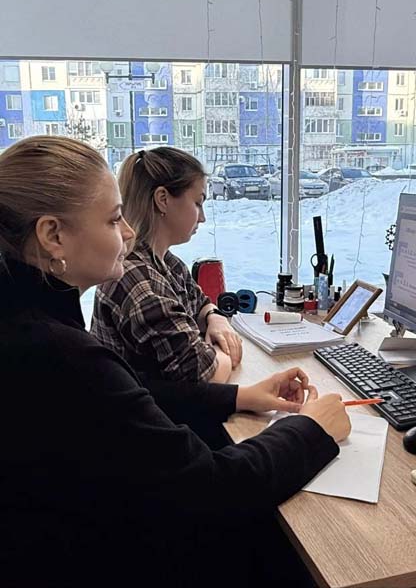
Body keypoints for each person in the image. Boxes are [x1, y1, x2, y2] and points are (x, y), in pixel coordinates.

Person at [0, 136, 351, 586]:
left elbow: (129, 397)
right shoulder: (59, 355)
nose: (128, 232)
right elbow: (214, 488)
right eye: (113, 219)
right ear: (53, 236)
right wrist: (312, 429)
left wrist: (238, 396)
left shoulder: (29, 325)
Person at [91, 147, 239, 385]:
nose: (202, 217)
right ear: (163, 199)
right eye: (197, 203)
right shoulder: (136, 278)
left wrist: (215, 318)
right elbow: (204, 375)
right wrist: (225, 348)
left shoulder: (167, 263)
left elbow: (201, 305)